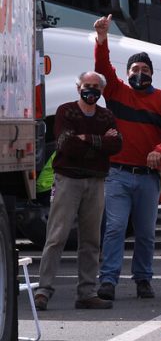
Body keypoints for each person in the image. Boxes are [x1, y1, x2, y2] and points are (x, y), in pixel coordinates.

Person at [94, 15, 161, 301]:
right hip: (117, 175)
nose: (140, 73)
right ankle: (107, 280)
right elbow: (102, 68)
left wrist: (160, 150)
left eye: (145, 69)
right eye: (135, 68)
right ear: (127, 71)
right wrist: (101, 38)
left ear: (152, 74)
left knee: (145, 234)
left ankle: (143, 279)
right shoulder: (116, 91)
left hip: (147, 178)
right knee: (115, 228)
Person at [34, 72, 122, 311]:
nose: (91, 90)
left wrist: (86, 139)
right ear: (78, 87)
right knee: (56, 237)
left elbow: (116, 144)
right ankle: (43, 290)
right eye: (87, 86)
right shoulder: (66, 111)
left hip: (96, 182)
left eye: (95, 87)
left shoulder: (106, 115)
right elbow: (65, 144)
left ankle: (87, 292)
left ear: (101, 91)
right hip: (68, 180)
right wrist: (99, 142)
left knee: (91, 240)